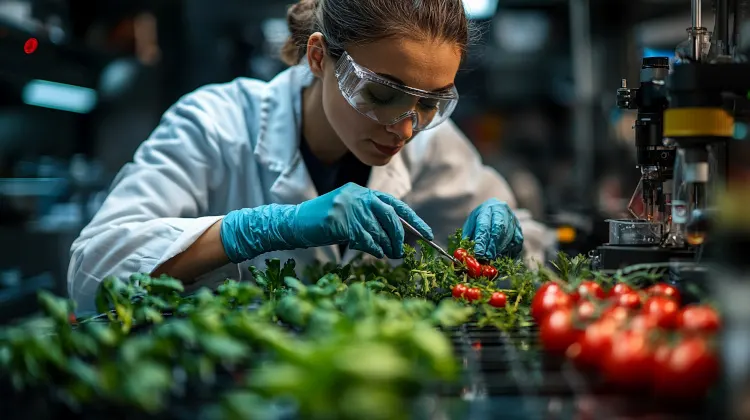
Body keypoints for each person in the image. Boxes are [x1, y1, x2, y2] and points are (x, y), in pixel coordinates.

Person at [68, 0, 552, 312]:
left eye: (429, 102)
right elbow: (92, 273)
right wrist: (256, 229)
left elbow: (536, 248)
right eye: (382, 95)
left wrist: (510, 238)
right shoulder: (215, 126)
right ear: (319, 57)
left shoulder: (431, 145)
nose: (406, 127)